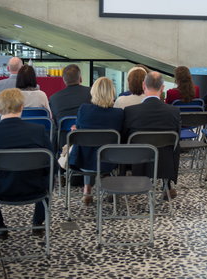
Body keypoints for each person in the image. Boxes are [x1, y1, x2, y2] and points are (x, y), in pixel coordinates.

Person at [0, 88, 53, 240]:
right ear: (22, 107)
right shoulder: (38, 131)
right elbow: (51, 160)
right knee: (50, 176)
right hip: (35, 188)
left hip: (1, 190)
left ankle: (0, 227)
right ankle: (37, 224)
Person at [123, 72, 181, 199]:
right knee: (172, 146)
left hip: (137, 162)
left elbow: (124, 138)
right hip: (164, 163)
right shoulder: (174, 111)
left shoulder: (131, 111)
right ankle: (167, 185)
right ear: (162, 88)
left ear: (144, 86)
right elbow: (177, 139)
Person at [69, 77, 124, 205]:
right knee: (103, 147)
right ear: (112, 92)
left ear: (94, 91)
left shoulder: (84, 109)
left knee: (87, 146)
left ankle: (87, 190)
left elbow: (79, 129)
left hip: (84, 160)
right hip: (109, 161)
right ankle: (110, 188)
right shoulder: (118, 114)